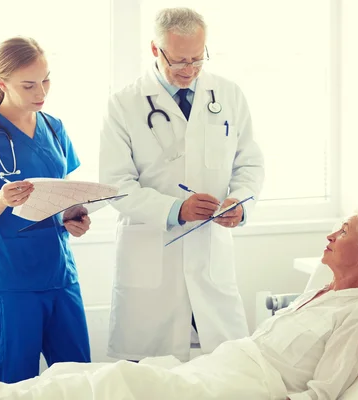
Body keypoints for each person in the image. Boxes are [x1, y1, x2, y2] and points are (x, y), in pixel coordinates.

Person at [0, 207, 358, 399]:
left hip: (242, 388)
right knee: (84, 377)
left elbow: (322, 395)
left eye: (342, 232)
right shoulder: (319, 293)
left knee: (115, 383)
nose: (329, 234)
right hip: (221, 367)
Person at [99, 7, 265, 361]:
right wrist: (174, 209)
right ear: (155, 50)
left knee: (226, 368)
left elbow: (249, 163)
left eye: (197, 59)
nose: (190, 70)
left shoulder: (228, 95)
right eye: (179, 62)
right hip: (151, 254)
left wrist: (240, 203)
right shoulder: (123, 104)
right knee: (148, 376)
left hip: (210, 252)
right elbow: (115, 183)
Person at [0, 36, 92, 383]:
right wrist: (0, 198)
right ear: (2, 83)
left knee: (80, 379)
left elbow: (62, 196)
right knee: (19, 382)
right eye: (28, 84)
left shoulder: (54, 128)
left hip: (60, 275)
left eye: (46, 79)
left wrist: (75, 218)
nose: (41, 91)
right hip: (13, 280)